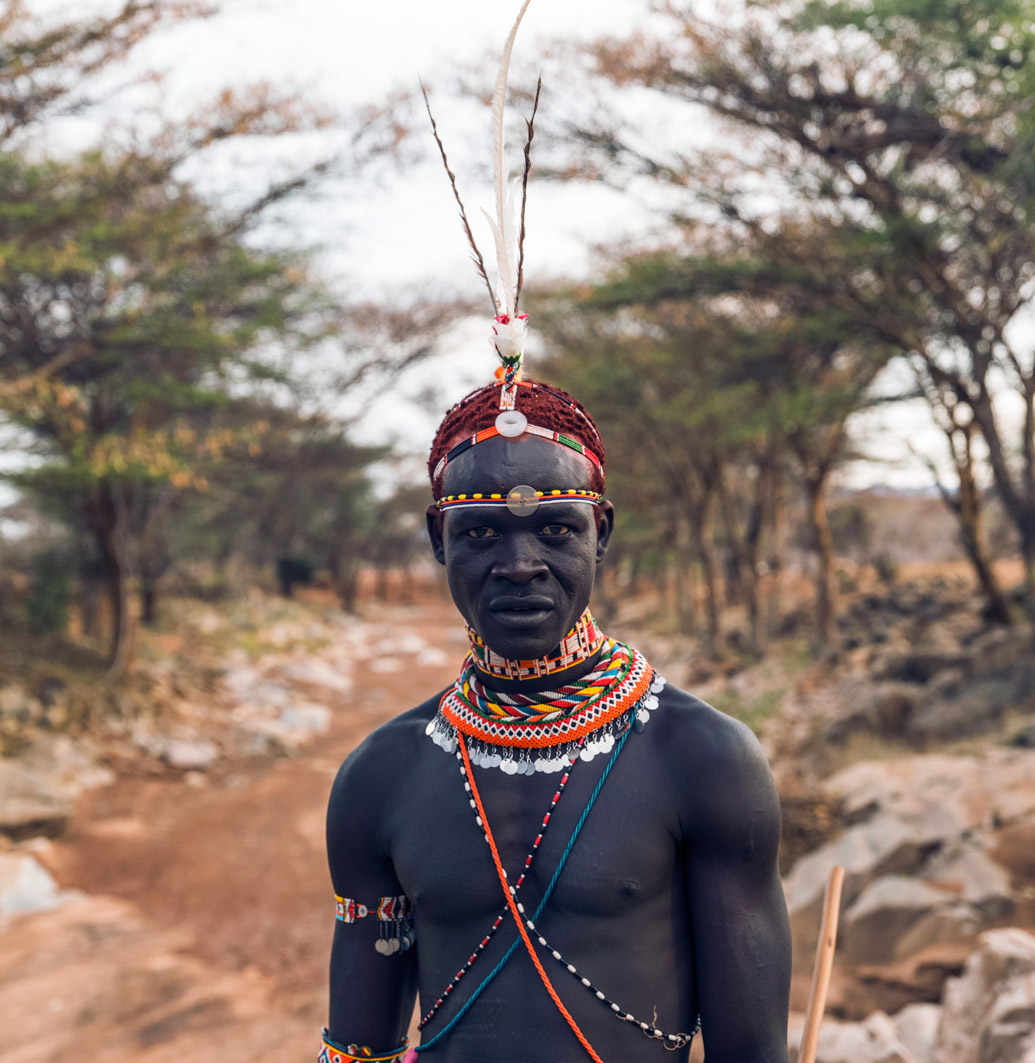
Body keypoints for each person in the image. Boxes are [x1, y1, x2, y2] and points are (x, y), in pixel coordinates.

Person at [319, 5, 790, 1061]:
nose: (519, 562)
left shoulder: (703, 759)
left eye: (553, 529)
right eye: (481, 534)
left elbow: (754, 1053)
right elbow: (354, 1047)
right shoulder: (380, 778)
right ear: (436, 544)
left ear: (603, 533)